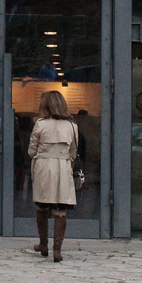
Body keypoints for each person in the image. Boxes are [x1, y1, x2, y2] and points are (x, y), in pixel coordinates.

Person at [28, 90, 80, 263]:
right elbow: (73, 152)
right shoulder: (72, 126)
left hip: (44, 166)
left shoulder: (40, 124)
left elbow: (31, 150)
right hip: (63, 167)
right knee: (60, 208)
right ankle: (57, 249)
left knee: (42, 206)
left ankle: (43, 243)